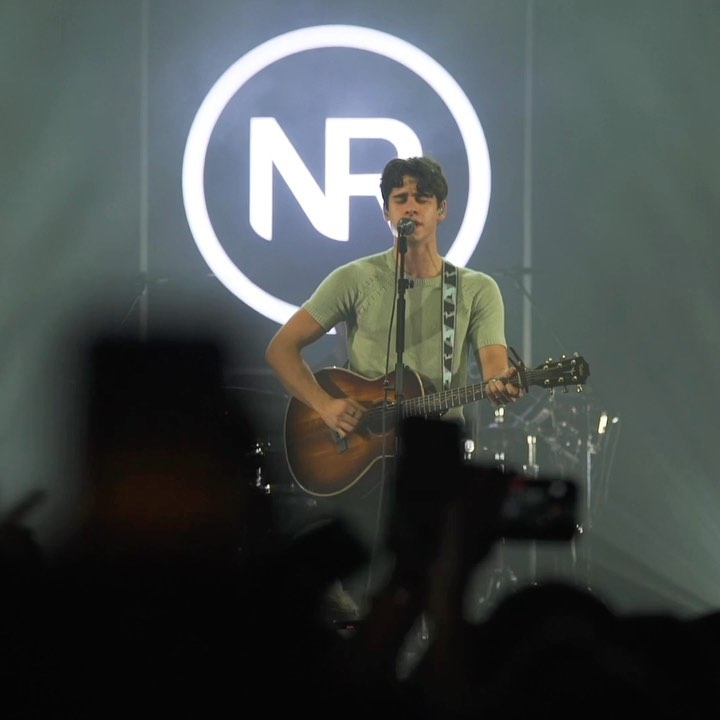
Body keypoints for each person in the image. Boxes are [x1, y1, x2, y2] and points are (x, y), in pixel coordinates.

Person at [265, 155, 524, 614]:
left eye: (422, 198)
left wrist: (504, 384)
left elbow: (494, 369)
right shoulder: (356, 278)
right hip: (364, 455)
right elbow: (282, 348)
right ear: (386, 211)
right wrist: (324, 405)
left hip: (436, 455)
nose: (411, 206)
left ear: (441, 210)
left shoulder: (476, 289)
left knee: (429, 579)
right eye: (400, 198)